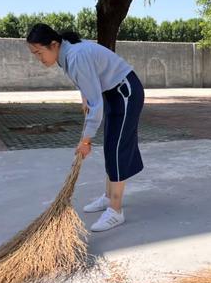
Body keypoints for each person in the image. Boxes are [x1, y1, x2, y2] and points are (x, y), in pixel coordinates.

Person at [27, 23, 144, 232]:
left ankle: (115, 211)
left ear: (53, 45)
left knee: (117, 149)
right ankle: (109, 197)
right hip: (112, 93)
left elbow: (96, 104)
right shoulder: (66, 54)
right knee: (110, 145)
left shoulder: (75, 56)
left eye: (39, 52)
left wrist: (86, 140)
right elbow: (88, 83)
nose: (38, 58)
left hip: (125, 92)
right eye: (34, 54)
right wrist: (85, 98)